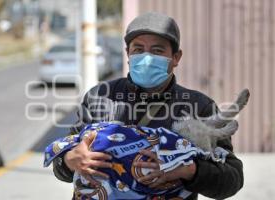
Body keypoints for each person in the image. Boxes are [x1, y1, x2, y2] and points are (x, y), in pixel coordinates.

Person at [52, 12, 243, 199]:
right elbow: (62, 165)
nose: (146, 58)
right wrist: (69, 161)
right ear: (128, 53)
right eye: (138, 49)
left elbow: (232, 179)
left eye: (157, 51)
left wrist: (191, 170)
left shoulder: (198, 106)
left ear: (176, 58)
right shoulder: (99, 97)